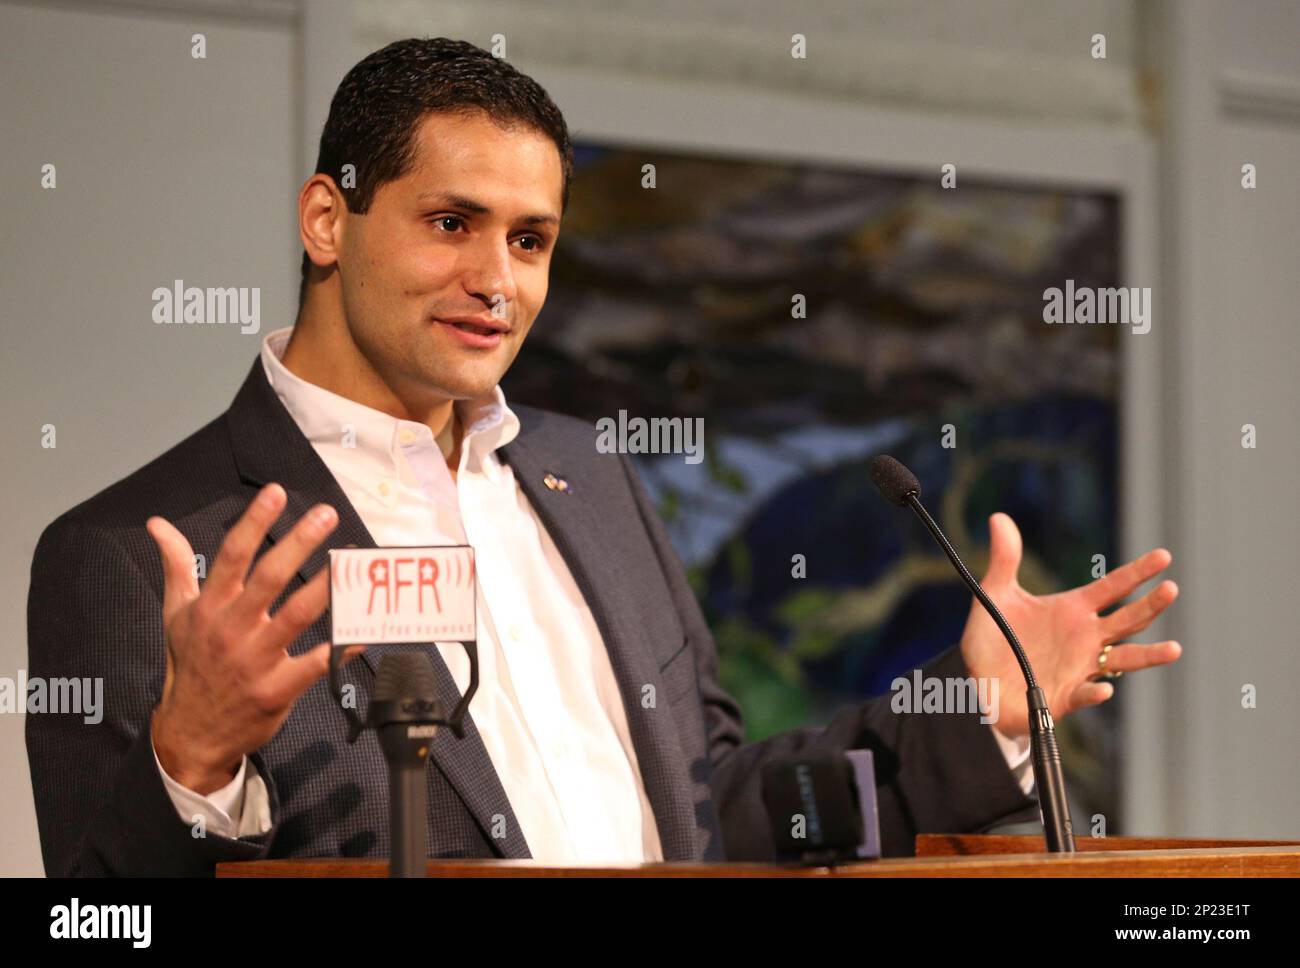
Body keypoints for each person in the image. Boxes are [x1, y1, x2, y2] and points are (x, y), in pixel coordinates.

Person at [25, 38, 1182, 876]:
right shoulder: (133, 552)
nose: (499, 279)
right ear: (327, 219)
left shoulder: (590, 477)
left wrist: (978, 705)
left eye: (530, 239)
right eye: (451, 223)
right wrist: (190, 759)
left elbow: (717, 807)